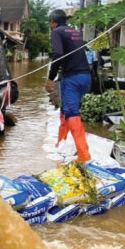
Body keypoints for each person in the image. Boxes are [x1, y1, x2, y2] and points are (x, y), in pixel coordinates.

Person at [45, 9, 91, 162]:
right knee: (65, 110)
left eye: (50, 23)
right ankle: (61, 144)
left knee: (71, 113)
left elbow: (58, 54)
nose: (50, 26)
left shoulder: (57, 32)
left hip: (73, 78)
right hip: (86, 77)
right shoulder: (74, 31)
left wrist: (50, 79)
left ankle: (84, 155)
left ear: (53, 22)